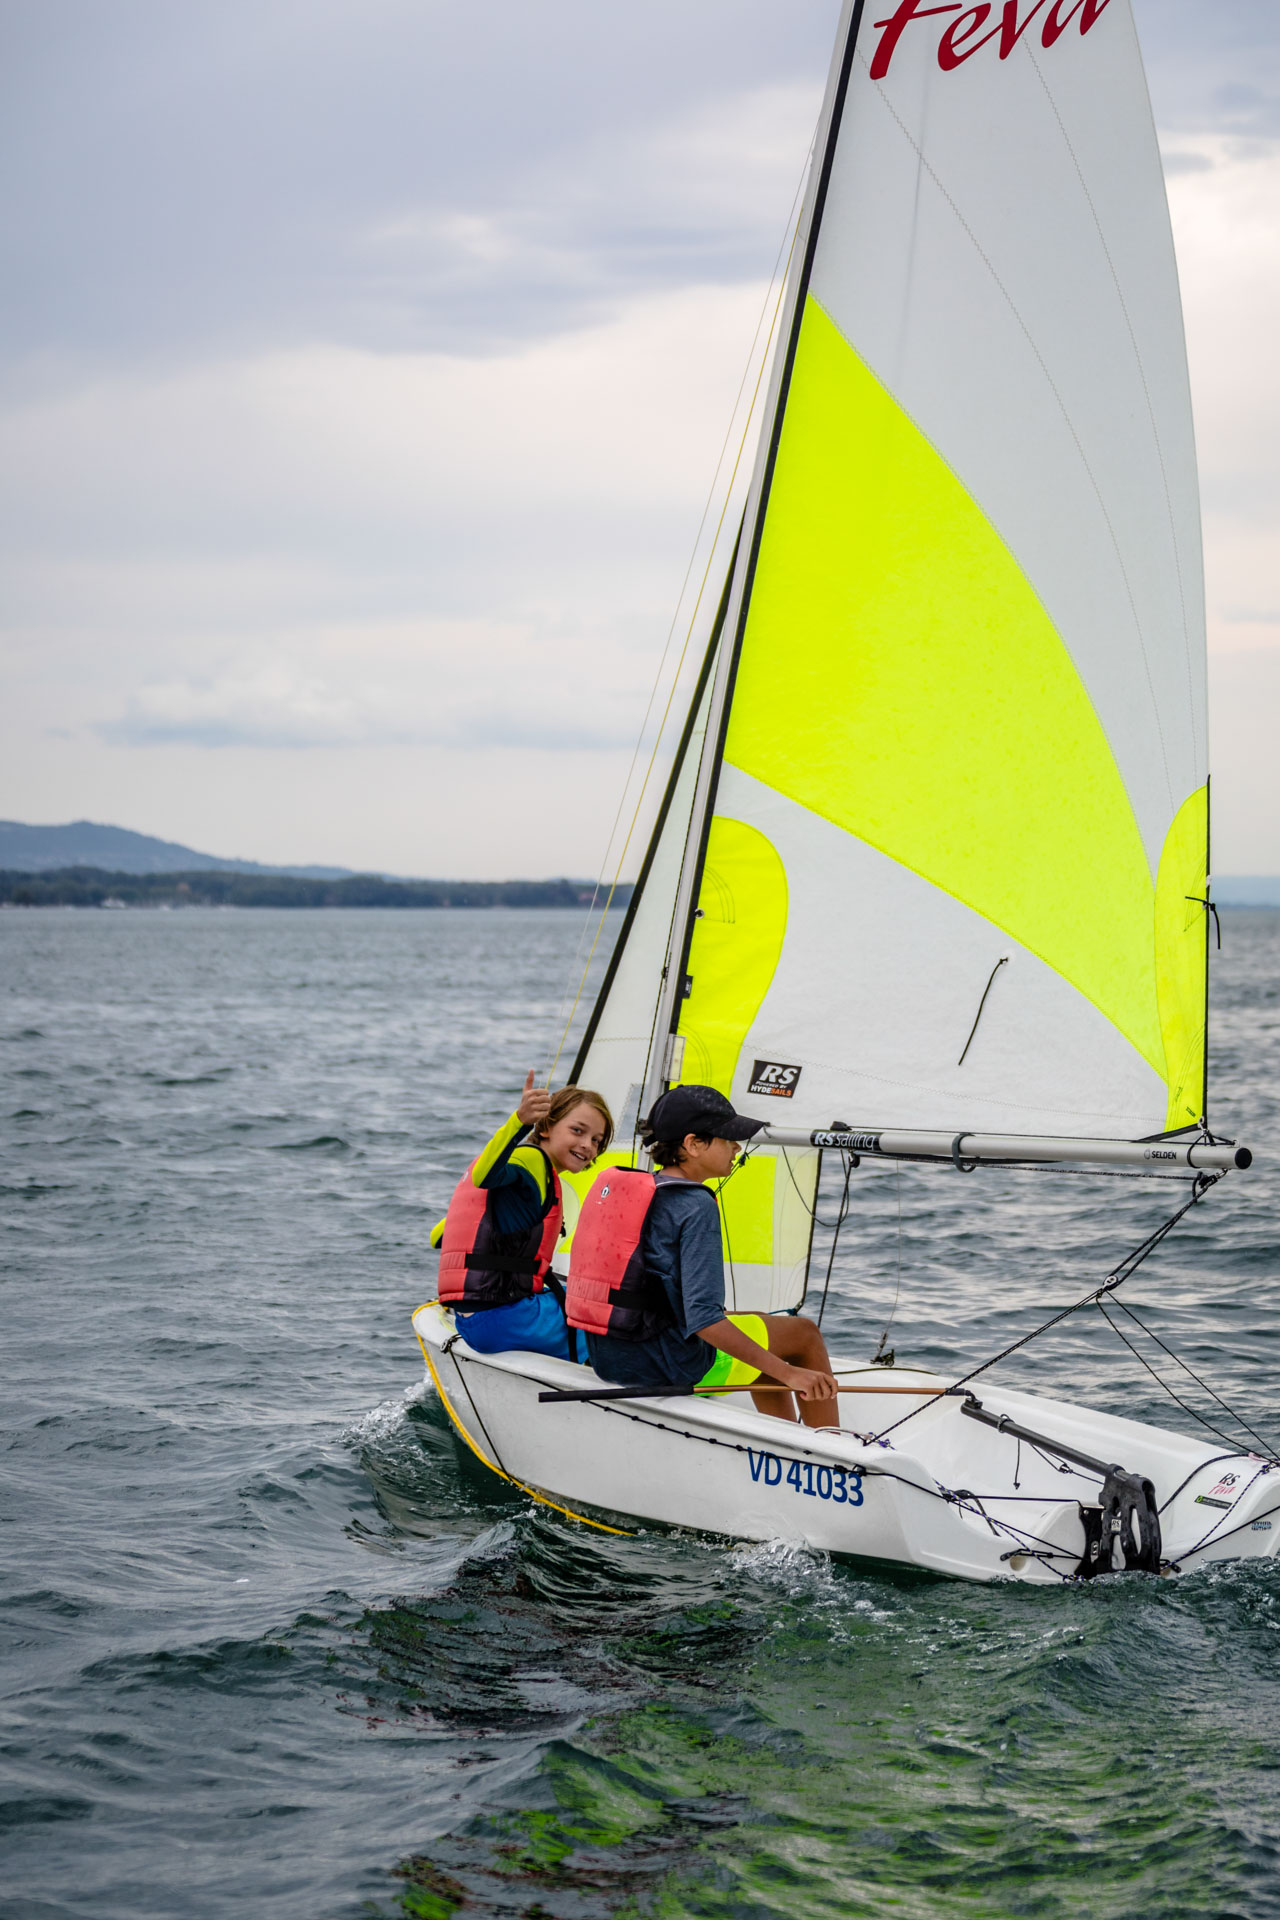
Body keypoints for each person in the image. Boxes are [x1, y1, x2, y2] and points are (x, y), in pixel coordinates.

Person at [567, 1085, 839, 1426]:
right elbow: (705, 1321)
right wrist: (790, 1374)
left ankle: (786, 1436)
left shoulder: (638, 1192)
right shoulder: (695, 1206)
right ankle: (828, 1445)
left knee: (759, 1324)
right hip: (670, 1367)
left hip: (609, 1359)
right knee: (803, 1334)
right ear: (693, 1144)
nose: (737, 1147)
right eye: (728, 1138)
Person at [431, 1072, 612, 1361]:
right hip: (504, 1318)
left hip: (471, 1319)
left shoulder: (518, 1171)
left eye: (596, 1140)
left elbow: (438, 1236)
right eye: (577, 1131)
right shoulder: (532, 1161)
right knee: (612, 1319)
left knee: (578, 1294)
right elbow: (484, 1175)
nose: (587, 1145)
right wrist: (520, 1121)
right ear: (546, 1127)